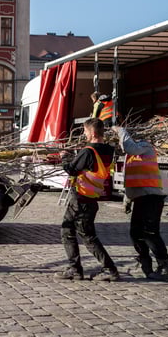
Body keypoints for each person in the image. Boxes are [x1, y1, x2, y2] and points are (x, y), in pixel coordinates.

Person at [56, 118, 120, 281]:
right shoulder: (109, 150)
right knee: (81, 232)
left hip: (80, 198)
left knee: (74, 232)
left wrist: (64, 157)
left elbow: (71, 169)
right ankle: (77, 268)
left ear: (92, 133)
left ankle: (105, 269)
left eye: (85, 131)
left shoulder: (88, 151)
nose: (84, 134)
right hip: (91, 198)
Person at [112, 124, 168, 281]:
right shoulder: (131, 156)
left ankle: (165, 265)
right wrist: (127, 200)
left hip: (152, 198)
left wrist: (120, 130)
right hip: (141, 199)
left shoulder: (145, 147)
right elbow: (130, 180)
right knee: (135, 234)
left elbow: (129, 146)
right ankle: (145, 263)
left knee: (150, 234)